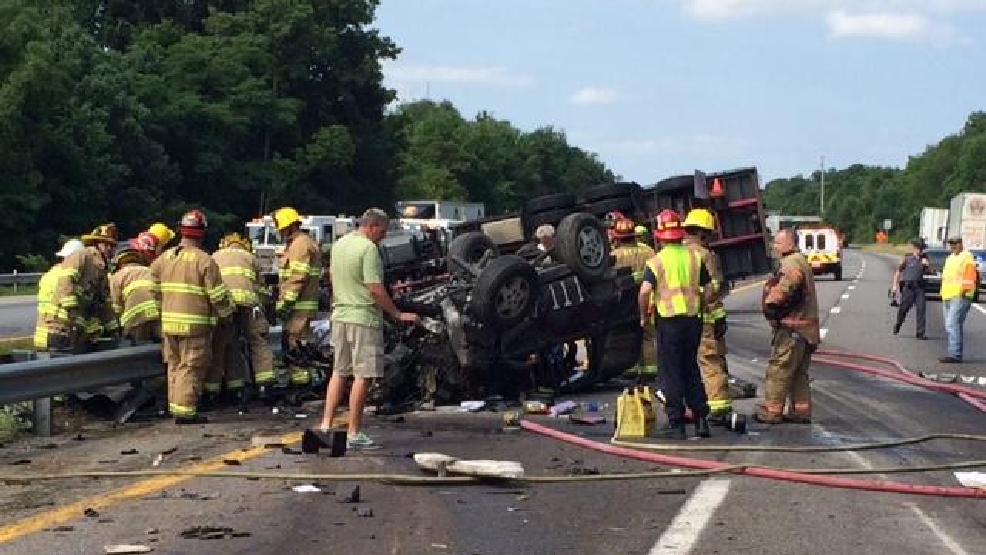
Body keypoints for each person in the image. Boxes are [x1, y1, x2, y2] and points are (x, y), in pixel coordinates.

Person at [319, 208, 419, 449]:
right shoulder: (368, 249)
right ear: (372, 226)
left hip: (340, 315)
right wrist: (397, 313)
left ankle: (325, 425)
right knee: (363, 376)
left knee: (339, 372)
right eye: (382, 232)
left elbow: (332, 278)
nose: (383, 237)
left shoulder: (339, 245)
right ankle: (354, 433)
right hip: (363, 318)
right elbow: (374, 288)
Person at [150, 210, 233, 424]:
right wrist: (227, 316)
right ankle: (185, 411)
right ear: (202, 233)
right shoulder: (204, 260)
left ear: (181, 231)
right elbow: (217, 295)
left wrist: (163, 313)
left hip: (169, 325)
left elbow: (153, 291)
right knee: (191, 366)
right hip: (194, 326)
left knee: (174, 365)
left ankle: (175, 406)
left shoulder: (163, 259)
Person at [638, 209, 711, 440]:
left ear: (659, 235)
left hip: (669, 321)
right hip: (692, 320)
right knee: (690, 368)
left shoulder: (656, 261)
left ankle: (676, 423)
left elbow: (645, 291)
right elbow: (709, 288)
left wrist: (643, 314)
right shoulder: (694, 257)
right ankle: (701, 420)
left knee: (671, 373)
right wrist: (703, 305)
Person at [757, 229, 820, 424]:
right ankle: (801, 411)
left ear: (790, 244)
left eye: (778, 243)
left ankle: (772, 411)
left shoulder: (791, 263)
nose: (774, 247)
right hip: (807, 331)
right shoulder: (800, 259)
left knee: (779, 370)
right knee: (798, 373)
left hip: (793, 330)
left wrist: (772, 301)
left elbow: (789, 283)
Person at [208, 233, 276, 395]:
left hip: (226, 305)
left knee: (222, 344)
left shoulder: (214, 257)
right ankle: (265, 385)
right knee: (258, 341)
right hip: (249, 305)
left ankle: (218, 388)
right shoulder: (251, 258)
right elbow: (261, 289)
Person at [683, 208, 733, 421]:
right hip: (704, 319)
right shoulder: (706, 256)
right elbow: (713, 291)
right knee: (711, 361)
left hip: (678, 319)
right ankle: (718, 406)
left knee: (685, 364)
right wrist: (719, 316)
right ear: (703, 233)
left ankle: (689, 405)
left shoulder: (675, 253)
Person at [48, 225, 118, 353]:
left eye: (112, 246)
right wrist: (72, 310)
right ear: (96, 244)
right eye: (106, 244)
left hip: (79, 330)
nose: (110, 249)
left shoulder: (102, 270)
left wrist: (114, 329)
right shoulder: (81, 256)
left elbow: (105, 303)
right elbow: (65, 281)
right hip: (63, 328)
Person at [272, 206, 322, 386]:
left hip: (299, 306)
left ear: (289, 226)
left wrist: (285, 302)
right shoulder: (299, 243)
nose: (281, 232)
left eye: (282, 228)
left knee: (297, 344)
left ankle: (301, 383)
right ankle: (303, 379)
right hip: (300, 305)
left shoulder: (301, 245)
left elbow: (298, 277)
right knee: (298, 343)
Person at [611, 217, 657, 376]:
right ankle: (650, 369)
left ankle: (631, 368)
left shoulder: (614, 256)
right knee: (648, 336)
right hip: (648, 299)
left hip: (625, 303)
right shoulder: (649, 251)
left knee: (628, 336)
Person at [34, 239, 85, 350]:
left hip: (42, 334)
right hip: (59, 333)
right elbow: (70, 305)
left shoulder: (49, 274)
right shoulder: (67, 276)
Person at [108, 240, 161, 345]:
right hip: (159, 315)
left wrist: (117, 329)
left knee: (139, 354)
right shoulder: (149, 271)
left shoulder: (117, 277)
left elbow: (116, 307)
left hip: (136, 319)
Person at [939, 236, 977, 363]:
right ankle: (955, 353)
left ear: (961, 244)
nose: (953, 246)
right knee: (952, 325)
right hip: (948, 295)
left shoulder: (967, 256)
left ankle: (954, 354)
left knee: (952, 323)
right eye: (951, 244)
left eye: (955, 243)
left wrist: (963, 291)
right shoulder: (950, 258)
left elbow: (970, 276)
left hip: (961, 295)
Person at [891, 238, 931, 339]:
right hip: (908, 287)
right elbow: (898, 272)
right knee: (903, 309)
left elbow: (929, 272)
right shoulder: (907, 258)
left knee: (921, 310)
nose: (920, 251)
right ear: (915, 248)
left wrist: (926, 265)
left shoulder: (925, 258)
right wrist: (894, 286)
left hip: (920, 288)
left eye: (922, 249)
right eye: (919, 248)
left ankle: (920, 333)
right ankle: (898, 324)